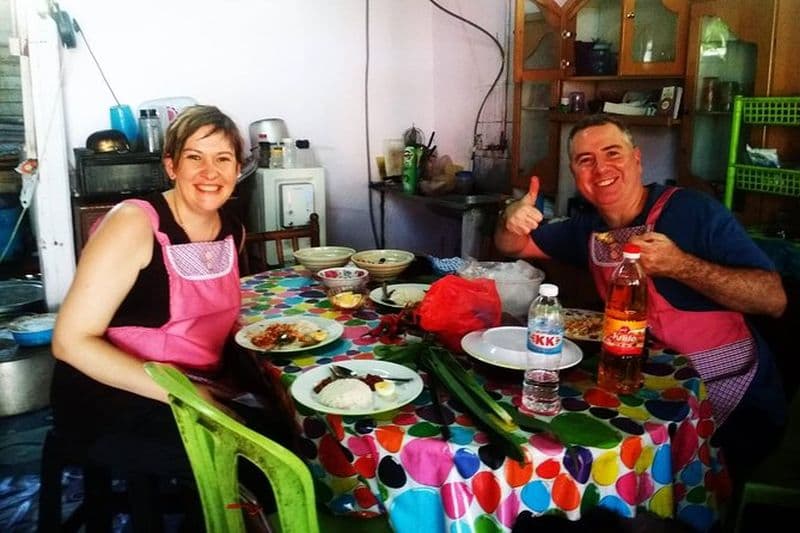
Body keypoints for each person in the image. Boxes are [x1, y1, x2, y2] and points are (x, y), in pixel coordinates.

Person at [495, 114, 787, 483]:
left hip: (734, 399)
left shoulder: (693, 211)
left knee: (653, 481)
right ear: (574, 172)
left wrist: (681, 265)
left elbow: (773, 298)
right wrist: (510, 216)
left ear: (636, 159)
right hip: (644, 386)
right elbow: (511, 245)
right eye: (585, 160)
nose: (600, 167)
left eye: (612, 153)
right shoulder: (590, 229)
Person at [51, 105, 282, 529]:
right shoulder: (135, 223)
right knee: (244, 457)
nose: (209, 172)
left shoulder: (232, 227)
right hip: (111, 394)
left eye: (223, 158)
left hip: (195, 380)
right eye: (195, 157)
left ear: (238, 169)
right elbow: (70, 341)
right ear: (171, 165)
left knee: (286, 428)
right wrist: (192, 399)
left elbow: (210, 315)